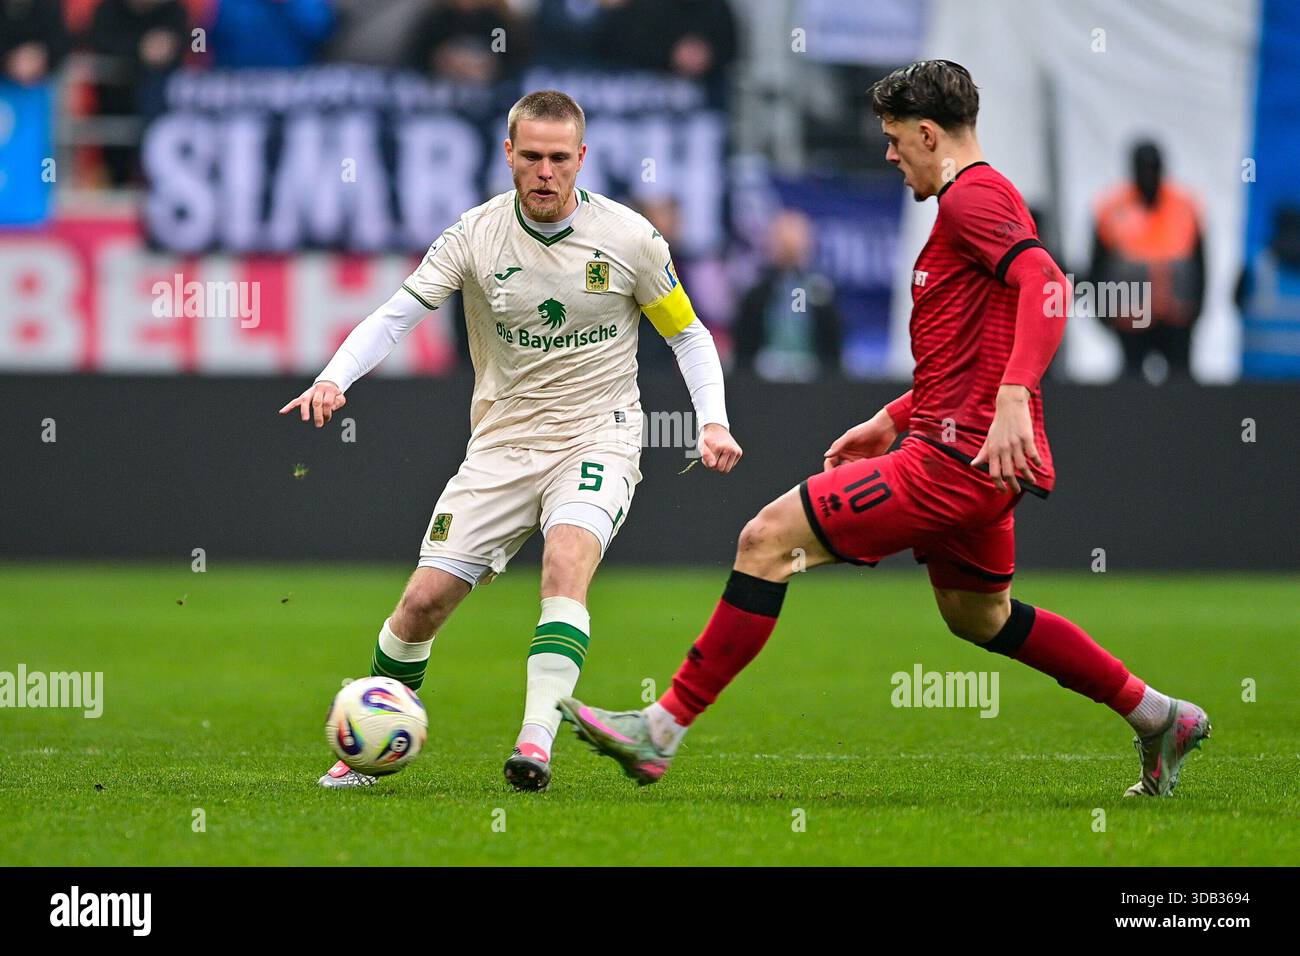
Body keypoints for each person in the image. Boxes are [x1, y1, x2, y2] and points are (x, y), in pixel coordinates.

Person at [560, 61, 1210, 798]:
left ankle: (661, 729)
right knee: (980, 615)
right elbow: (981, 339)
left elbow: (1050, 287)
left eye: (897, 140)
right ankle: (1159, 716)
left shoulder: (972, 200)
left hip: (953, 463)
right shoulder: (981, 204)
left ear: (930, 133)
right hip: (969, 455)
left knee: (765, 541)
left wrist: (1015, 397)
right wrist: (891, 416)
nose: (891, 155)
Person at [279, 90, 742, 792]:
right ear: (509, 155)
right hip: (501, 445)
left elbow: (687, 333)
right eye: (532, 156)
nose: (546, 171)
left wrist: (713, 419)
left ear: (581, 158)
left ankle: (535, 742)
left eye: (560, 158)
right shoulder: (474, 236)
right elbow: (397, 315)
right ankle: (366, 745)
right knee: (422, 604)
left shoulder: (629, 239)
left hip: (599, 435)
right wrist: (334, 379)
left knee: (567, 560)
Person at [1089, 141, 1205, 381]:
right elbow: (1098, 264)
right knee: (1131, 380)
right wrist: (1101, 310)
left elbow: (1201, 263)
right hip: (1130, 315)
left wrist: (1197, 309)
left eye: (1153, 168)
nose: (1148, 175)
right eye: (1143, 168)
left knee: (1181, 380)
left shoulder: (1184, 206)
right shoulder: (1112, 207)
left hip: (1176, 315)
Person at [733, 209, 842, 381]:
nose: (789, 247)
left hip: (813, 383)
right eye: (782, 241)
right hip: (761, 382)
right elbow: (743, 348)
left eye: (794, 242)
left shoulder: (821, 295)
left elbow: (833, 348)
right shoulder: (756, 296)